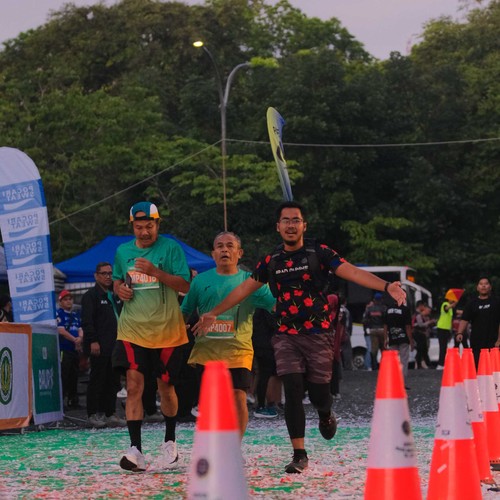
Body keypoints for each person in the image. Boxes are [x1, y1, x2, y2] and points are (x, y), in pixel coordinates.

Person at [193, 201, 406, 474]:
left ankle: (326, 412)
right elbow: (244, 289)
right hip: (285, 334)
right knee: (292, 388)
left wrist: (386, 286)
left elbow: (351, 271)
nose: (291, 225)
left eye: (296, 220)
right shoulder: (271, 260)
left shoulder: (319, 252)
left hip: (318, 334)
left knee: (319, 395)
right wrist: (213, 312)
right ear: (278, 227)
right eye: (286, 220)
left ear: (304, 225)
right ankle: (299, 454)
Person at [112, 201, 191, 472]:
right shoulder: (123, 251)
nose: (144, 232)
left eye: (149, 226)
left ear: (158, 224)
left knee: (165, 388)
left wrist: (155, 272)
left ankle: (170, 441)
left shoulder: (171, 249)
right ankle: (135, 450)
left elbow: (185, 285)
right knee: (134, 386)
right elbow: (117, 279)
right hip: (132, 329)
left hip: (167, 331)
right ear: (132, 226)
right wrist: (119, 289)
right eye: (139, 227)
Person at [181, 231, 275, 436]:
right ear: (213, 254)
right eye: (220, 246)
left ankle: (235, 446)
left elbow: (275, 306)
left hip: (238, 350)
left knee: (238, 397)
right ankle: (216, 441)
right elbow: (184, 312)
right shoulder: (200, 281)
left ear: (239, 253)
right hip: (206, 352)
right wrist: (177, 330)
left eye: (230, 246)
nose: (225, 250)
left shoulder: (252, 282)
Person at [81, 262, 125, 428]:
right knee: (97, 379)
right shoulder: (90, 296)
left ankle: (110, 413)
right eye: (104, 273)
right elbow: (87, 321)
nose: (108, 276)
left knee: (113, 381)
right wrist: (93, 340)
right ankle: (92, 414)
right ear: (96, 276)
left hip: (114, 345)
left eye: (110, 273)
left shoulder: (113, 295)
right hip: (99, 345)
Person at [456, 277, 500, 367]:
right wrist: (459, 333)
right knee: (478, 367)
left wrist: (499, 340)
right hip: (476, 342)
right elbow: (465, 319)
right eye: (481, 284)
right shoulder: (471, 303)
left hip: (494, 342)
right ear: (477, 288)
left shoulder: (496, 302)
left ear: (490, 287)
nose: (483, 286)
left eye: (486, 284)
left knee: (494, 368)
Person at [56, 290, 84, 410]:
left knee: (74, 375)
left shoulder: (75, 315)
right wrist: (75, 340)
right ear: (60, 302)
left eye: (70, 299)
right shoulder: (59, 314)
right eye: (65, 299)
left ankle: (73, 400)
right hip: (64, 349)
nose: (69, 301)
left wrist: (80, 338)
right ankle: (61, 402)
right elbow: (61, 331)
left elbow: (80, 329)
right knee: (64, 375)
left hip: (74, 350)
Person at [252, 307, 280, 418]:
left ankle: (263, 404)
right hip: (265, 345)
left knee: (264, 374)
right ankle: (261, 405)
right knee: (265, 375)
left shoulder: (259, 308)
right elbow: (273, 323)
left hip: (260, 343)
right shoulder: (266, 307)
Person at [383, 300, 413, 384]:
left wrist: (385, 339)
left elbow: (385, 326)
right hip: (403, 339)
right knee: (404, 360)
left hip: (392, 339)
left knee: (393, 361)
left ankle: (393, 382)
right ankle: (402, 382)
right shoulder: (405, 309)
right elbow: (408, 327)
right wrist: (411, 341)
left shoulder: (388, 309)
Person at [362, 292, 386, 370]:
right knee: (383, 348)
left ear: (374, 300)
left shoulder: (369, 309)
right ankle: (384, 366)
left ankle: (374, 366)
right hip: (382, 330)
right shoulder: (384, 308)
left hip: (372, 330)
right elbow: (387, 319)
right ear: (381, 299)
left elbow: (364, 320)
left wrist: (368, 326)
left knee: (374, 349)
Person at [435, 291, 458, 369]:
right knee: (442, 347)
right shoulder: (445, 304)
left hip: (446, 329)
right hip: (441, 328)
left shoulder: (451, 308)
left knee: (444, 347)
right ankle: (440, 364)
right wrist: (454, 304)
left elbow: (456, 311)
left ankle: (442, 363)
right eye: (452, 298)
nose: (453, 300)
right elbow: (446, 308)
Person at [413, 302, 435, 369]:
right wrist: (429, 322)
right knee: (421, 349)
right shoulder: (418, 315)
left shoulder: (424, 317)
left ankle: (426, 364)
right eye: (428, 311)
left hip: (422, 334)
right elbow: (420, 325)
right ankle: (420, 364)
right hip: (419, 334)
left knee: (423, 349)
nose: (428, 313)